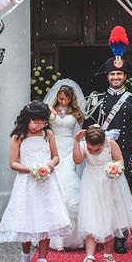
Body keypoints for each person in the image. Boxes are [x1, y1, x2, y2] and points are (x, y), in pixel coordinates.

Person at [83, 26, 132, 254]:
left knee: (121, 197)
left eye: (119, 74)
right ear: (107, 76)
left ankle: (119, 237)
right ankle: (102, 233)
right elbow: (86, 127)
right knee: (102, 196)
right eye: (112, 74)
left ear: (125, 77)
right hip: (101, 153)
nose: (116, 77)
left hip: (124, 154)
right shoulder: (96, 100)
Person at [0, 101, 71, 262]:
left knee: (47, 218)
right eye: (36, 122)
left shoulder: (48, 133)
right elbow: (13, 163)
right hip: (26, 181)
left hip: (46, 182)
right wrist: (33, 169)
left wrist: (49, 165)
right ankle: (25, 257)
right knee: (26, 218)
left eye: (43, 122)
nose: (39, 126)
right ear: (27, 119)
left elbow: (56, 156)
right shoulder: (18, 136)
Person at [73, 125, 132, 262]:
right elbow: (78, 160)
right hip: (91, 182)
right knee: (91, 216)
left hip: (109, 183)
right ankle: (89, 257)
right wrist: (76, 142)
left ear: (103, 142)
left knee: (109, 216)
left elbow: (120, 161)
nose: (93, 152)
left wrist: (114, 168)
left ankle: (108, 255)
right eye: (90, 149)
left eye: (96, 150)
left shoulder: (110, 143)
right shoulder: (83, 144)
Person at [43, 79, 86, 250]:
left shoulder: (76, 112)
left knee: (69, 182)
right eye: (61, 98)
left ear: (71, 99)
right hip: (54, 148)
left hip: (69, 149)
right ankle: (53, 235)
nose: (63, 102)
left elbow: (81, 130)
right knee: (55, 184)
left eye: (66, 99)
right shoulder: (49, 111)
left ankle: (71, 234)